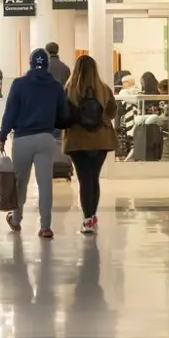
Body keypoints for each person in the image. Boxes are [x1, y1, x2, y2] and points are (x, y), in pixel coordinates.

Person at [0, 49, 69, 239]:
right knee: (45, 184)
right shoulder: (55, 87)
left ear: (30, 63)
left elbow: (10, 113)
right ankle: (45, 227)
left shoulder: (19, 84)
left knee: (20, 182)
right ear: (47, 65)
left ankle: (16, 219)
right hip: (46, 139)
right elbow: (63, 118)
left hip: (22, 140)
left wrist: (2, 136)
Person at [63, 55, 118, 235]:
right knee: (94, 179)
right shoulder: (104, 89)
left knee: (83, 179)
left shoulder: (69, 89)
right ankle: (92, 217)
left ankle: (87, 219)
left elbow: (64, 115)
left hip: (77, 140)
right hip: (100, 139)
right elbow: (111, 113)